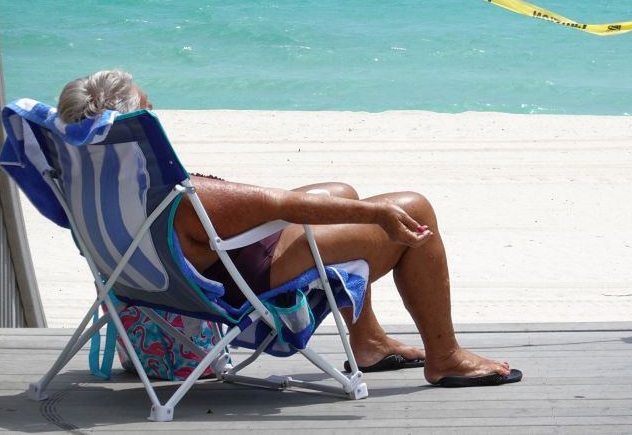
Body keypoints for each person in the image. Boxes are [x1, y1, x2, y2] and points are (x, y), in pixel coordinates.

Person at [57, 69, 522, 388]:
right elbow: (274, 203)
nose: (155, 109)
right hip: (244, 280)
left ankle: (370, 343)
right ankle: (446, 359)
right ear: (129, 125)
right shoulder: (177, 195)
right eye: (146, 106)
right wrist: (377, 216)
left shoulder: (92, 182)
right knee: (413, 209)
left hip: (186, 273)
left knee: (339, 191)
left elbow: (256, 208)